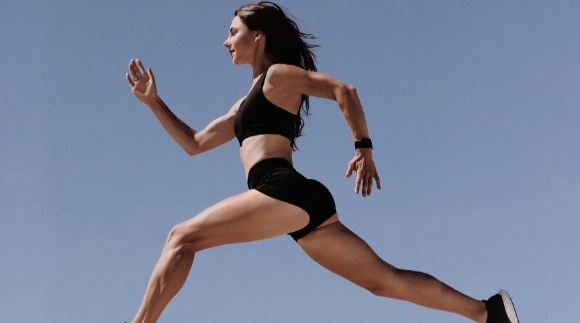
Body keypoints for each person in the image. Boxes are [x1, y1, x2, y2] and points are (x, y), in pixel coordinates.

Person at [125, 2, 519, 322]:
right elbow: (194, 143)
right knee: (383, 281)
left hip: (281, 189)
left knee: (181, 238)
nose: (226, 41)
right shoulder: (246, 102)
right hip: (301, 204)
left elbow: (342, 90)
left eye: (233, 32)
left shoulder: (278, 76)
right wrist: (153, 102)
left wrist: (363, 147)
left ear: (258, 35)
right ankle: (487, 312)